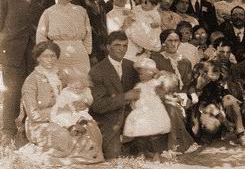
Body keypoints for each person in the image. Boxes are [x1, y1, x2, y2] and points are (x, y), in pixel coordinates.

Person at [18, 41, 103, 164]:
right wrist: (59, 110)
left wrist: (81, 104)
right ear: (38, 58)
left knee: (91, 127)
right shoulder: (31, 81)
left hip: (67, 117)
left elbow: (78, 90)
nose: (49, 60)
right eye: (45, 56)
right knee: (65, 137)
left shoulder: (62, 75)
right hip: (39, 123)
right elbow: (33, 115)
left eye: (53, 56)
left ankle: (89, 155)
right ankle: (42, 151)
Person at [0, 0, 55, 141]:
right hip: (12, 50)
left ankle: (29, 130)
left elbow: (50, 22)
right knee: (12, 91)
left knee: (34, 91)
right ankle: (8, 130)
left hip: (36, 52)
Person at [89, 31, 140, 159]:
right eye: (117, 45)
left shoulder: (131, 66)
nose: (122, 49)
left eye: (125, 45)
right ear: (108, 47)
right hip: (108, 120)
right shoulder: (97, 71)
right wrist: (125, 97)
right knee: (113, 154)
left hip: (130, 116)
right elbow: (97, 105)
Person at [150, 29, 196, 152]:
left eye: (176, 40)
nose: (173, 43)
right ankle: (178, 145)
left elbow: (187, 84)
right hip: (160, 97)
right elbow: (152, 83)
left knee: (180, 106)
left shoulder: (185, 62)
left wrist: (185, 96)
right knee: (171, 107)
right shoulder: (156, 58)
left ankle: (175, 145)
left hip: (179, 96)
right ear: (163, 43)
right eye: (169, 40)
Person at [37, 0, 92, 75]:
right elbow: (41, 36)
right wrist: (47, 55)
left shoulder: (80, 11)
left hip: (79, 54)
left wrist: (86, 51)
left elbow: (88, 33)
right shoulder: (49, 12)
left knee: (80, 84)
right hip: (58, 54)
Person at [122, 58, 171, 160]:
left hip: (154, 111)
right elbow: (134, 96)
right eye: (139, 74)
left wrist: (160, 78)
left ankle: (157, 154)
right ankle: (141, 152)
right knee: (140, 134)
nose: (141, 75)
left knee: (155, 135)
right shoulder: (139, 85)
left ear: (151, 72)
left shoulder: (155, 83)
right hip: (141, 111)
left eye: (144, 72)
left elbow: (164, 90)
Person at [72, 0, 108, 64]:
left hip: (103, 53)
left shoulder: (101, 1)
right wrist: (89, 54)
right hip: (86, 52)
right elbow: (78, 28)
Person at [50, 67, 94, 136]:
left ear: (85, 86)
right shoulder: (66, 91)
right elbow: (60, 101)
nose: (78, 90)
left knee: (82, 115)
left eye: (80, 88)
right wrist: (65, 106)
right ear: (69, 85)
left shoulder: (86, 90)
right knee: (65, 117)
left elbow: (90, 100)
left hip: (79, 110)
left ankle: (82, 124)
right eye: (75, 88)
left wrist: (85, 103)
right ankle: (71, 128)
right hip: (67, 109)